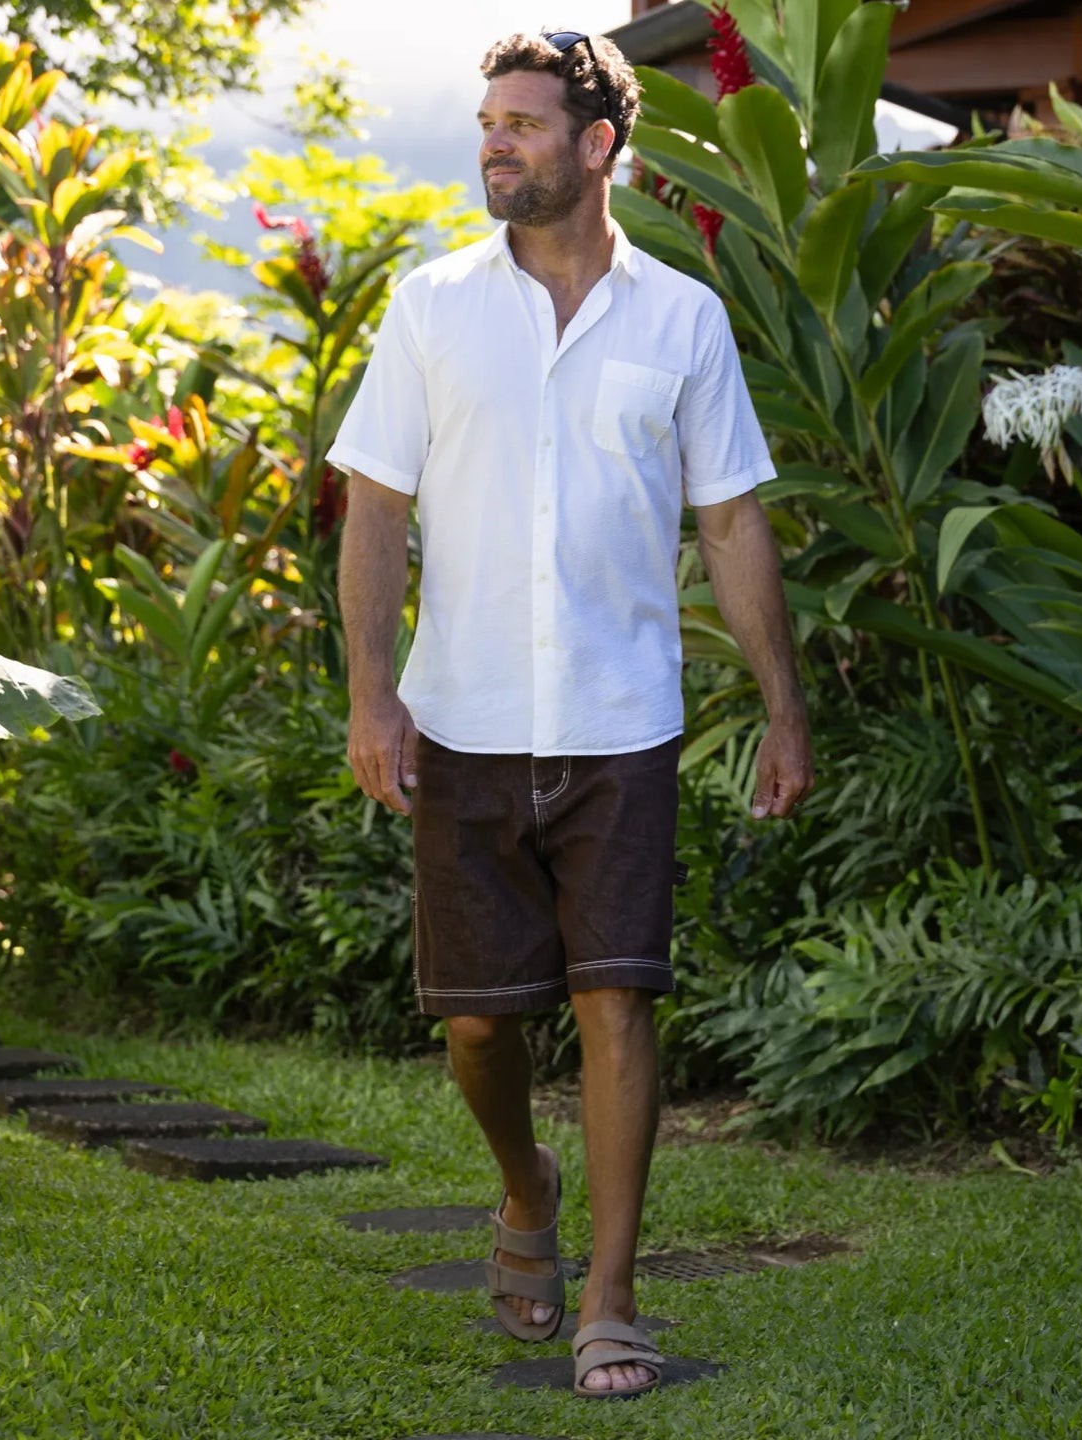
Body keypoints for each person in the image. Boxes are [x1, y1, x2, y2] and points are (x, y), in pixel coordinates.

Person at [330, 28, 813, 1402]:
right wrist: (371, 694)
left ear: (598, 146)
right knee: (480, 1029)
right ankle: (524, 1184)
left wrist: (783, 711)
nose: (496, 143)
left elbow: (731, 521)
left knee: (618, 1003)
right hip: (464, 719)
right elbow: (375, 509)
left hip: (621, 720)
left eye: (525, 124)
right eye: (489, 121)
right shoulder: (432, 307)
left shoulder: (684, 321)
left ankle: (611, 1297)